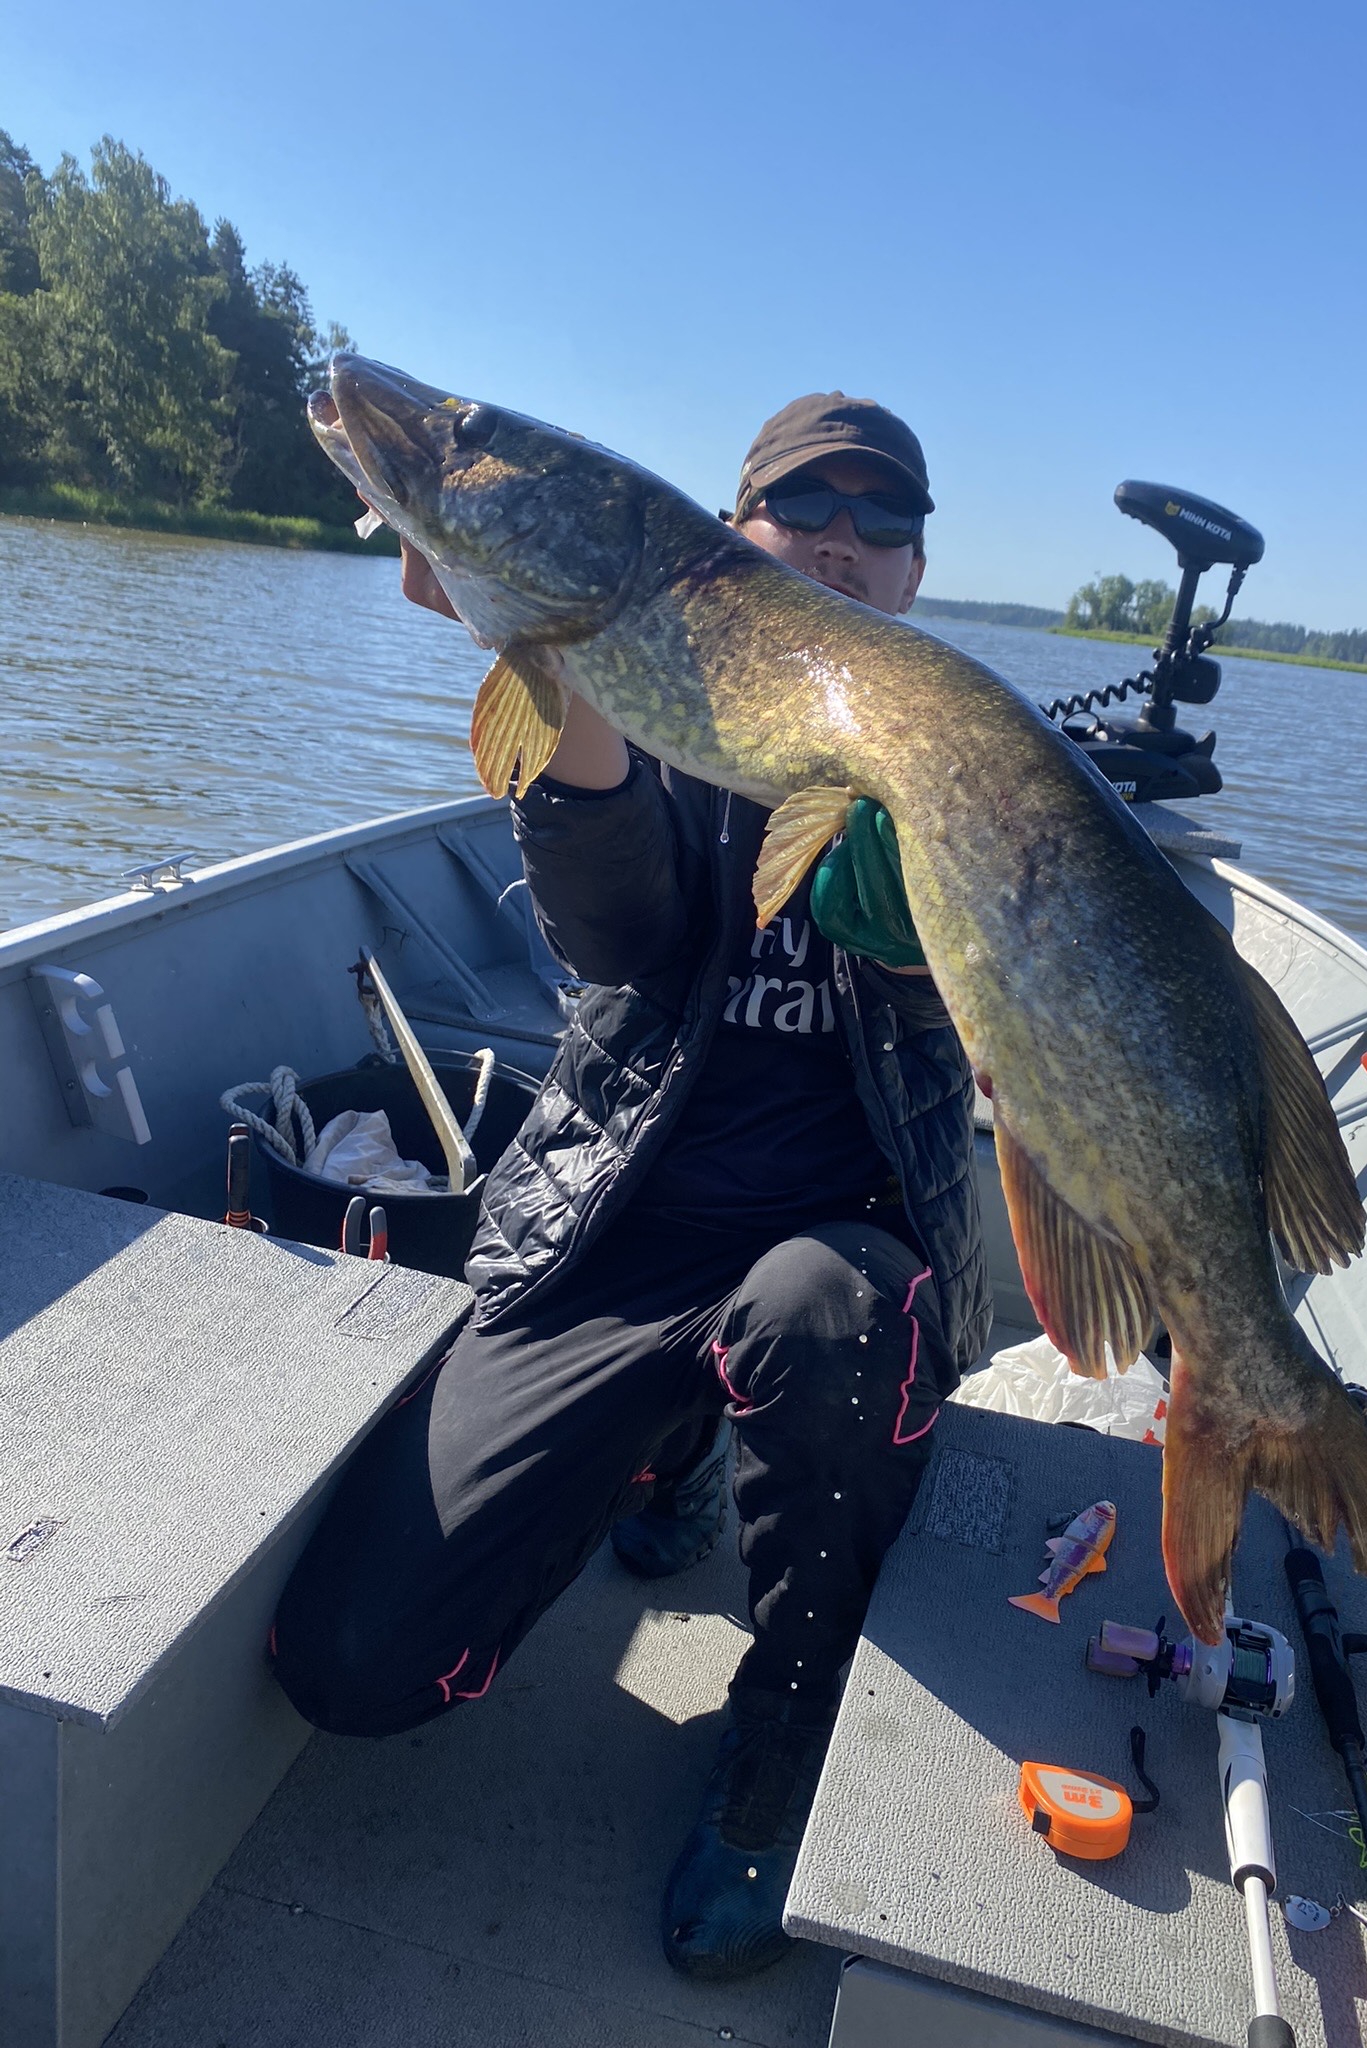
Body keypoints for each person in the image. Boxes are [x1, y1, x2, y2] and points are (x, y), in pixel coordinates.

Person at [270, 392, 991, 1980]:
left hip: (836, 1245)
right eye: (808, 506)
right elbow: (612, 940)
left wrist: (932, 908)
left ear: (919, 573)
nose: (845, 544)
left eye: (885, 523)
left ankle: (774, 1757)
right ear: (733, 538)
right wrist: (545, 644)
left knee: (818, 1320)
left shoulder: (949, 750)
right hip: (619, 1224)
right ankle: (658, 1448)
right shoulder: (668, 714)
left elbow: (1003, 1003)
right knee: (355, 1662)